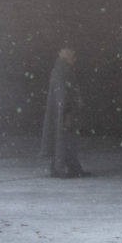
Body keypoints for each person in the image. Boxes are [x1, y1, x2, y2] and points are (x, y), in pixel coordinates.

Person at [40, 47, 90, 178]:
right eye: (73, 57)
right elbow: (63, 95)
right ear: (66, 58)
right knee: (64, 140)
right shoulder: (62, 72)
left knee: (64, 140)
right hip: (65, 113)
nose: (75, 60)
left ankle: (63, 167)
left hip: (63, 112)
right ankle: (63, 168)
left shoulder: (61, 71)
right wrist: (66, 113)